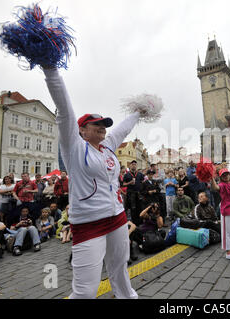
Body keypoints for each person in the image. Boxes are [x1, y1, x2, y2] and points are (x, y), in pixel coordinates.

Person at [43, 66, 139, 299]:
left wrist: (140, 110)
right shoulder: (74, 147)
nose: (103, 127)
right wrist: (51, 70)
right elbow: (65, 112)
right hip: (88, 223)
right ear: (82, 130)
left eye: (105, 124)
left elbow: (123, 129)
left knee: (120, 270)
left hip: (117, 217)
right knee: (86, 289)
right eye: (96, 124)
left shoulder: (107, 146)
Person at [123, 160, 144, 225]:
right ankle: (134, 224)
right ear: (130, 165)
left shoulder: (140, 174)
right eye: (132, 164)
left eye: (135, 164)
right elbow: (123, 184)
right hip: (131, 194)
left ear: (136, 166)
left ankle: (140, 223)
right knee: (133, 209)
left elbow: (143, 182)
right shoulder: (127, 174)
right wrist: (130, 182)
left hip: (138, 193)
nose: (134, 165)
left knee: (139, 208)